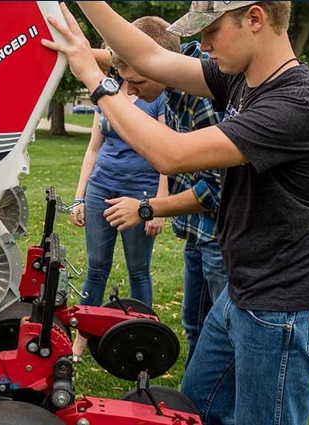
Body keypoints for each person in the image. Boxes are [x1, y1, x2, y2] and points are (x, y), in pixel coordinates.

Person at [43, 2, 309, 425]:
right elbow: (151, 57)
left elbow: (171, 154)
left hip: (286, 308)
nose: (201, 44)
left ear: (255, 19)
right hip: (243, 291)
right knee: (194, 411)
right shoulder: (241, 80)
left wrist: (95, 80)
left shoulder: (298, 105)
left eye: (212, 31)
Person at [102, 16, 228, 368]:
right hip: (197, 236)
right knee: (195, 327)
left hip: (221, 236)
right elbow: (132, 55)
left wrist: (147, 208)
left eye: (138, 80)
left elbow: (215, 191)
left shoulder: (202, 100)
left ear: (157, 64)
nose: (132, 91)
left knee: (225, 335)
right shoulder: (174, 70)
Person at [68, 44, 167, 359]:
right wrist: (80, 196)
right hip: (101, 189)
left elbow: (168, 154)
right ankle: (81, 340)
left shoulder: (157, 97)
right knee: (97, 267)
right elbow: (93, 149)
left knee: (139, 270)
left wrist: (158, 206)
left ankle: (146, 337)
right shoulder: (107, 94)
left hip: (140, 195)